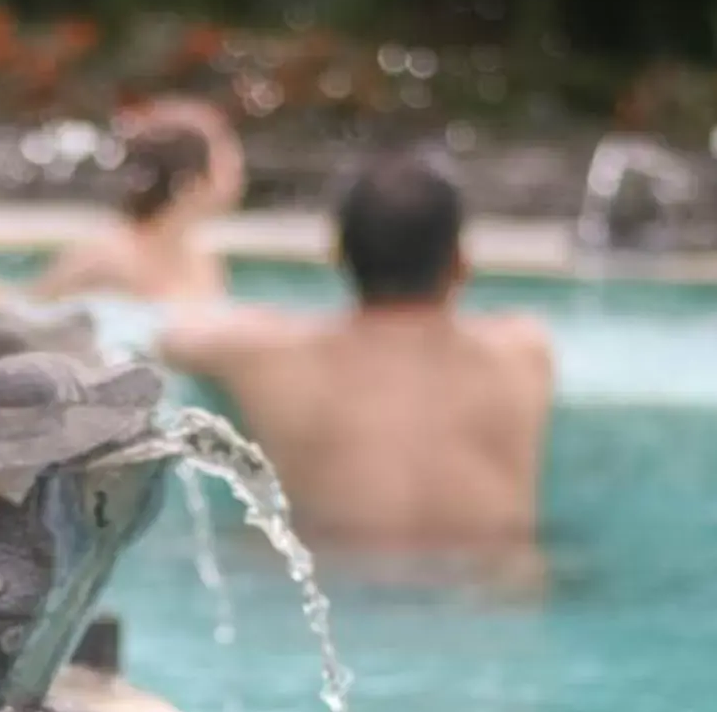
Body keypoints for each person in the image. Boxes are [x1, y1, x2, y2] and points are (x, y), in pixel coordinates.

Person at [158, 150, 553, 558]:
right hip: (489, 594)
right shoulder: (524, 354)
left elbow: (173, 337)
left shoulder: (269, 358)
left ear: (338, 257)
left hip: (332, 590)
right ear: (460, 263)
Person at [34, 97, 242, 304]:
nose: (238, 169)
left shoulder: (201, 259)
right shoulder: (108, 257)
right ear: (190, 182)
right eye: (224, 160)